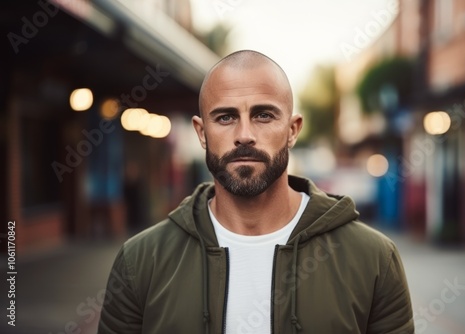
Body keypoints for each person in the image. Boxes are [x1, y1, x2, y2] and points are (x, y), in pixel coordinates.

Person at [98, 50, 414, 334]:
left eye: (263, 115)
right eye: (225, 117)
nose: (245, 135)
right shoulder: (140, 262)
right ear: (201, 132)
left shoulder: (373, 259)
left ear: (292, 130)